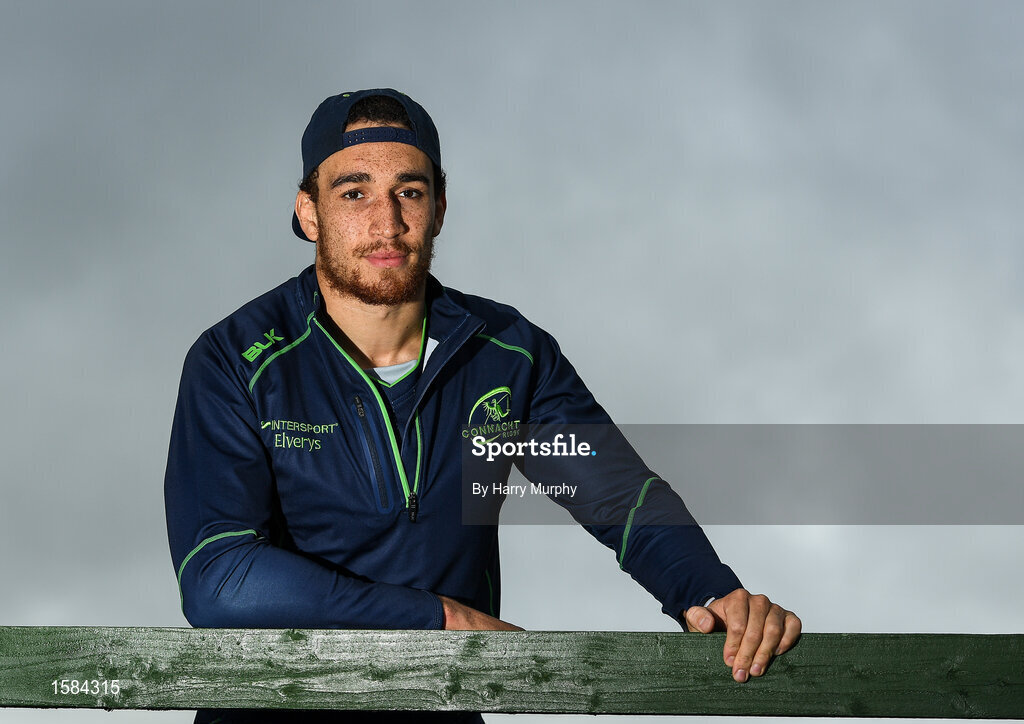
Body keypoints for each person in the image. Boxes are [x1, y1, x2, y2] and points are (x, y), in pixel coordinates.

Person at [164, 88, 801, 723]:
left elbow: (618, 497)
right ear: (308, 212)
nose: (386, 223)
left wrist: (711, 591)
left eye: (409, 192)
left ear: (440, 207)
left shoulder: (507, 354)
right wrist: (435, 618)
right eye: (354, 192)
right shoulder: (236, 359)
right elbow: (220, 580)